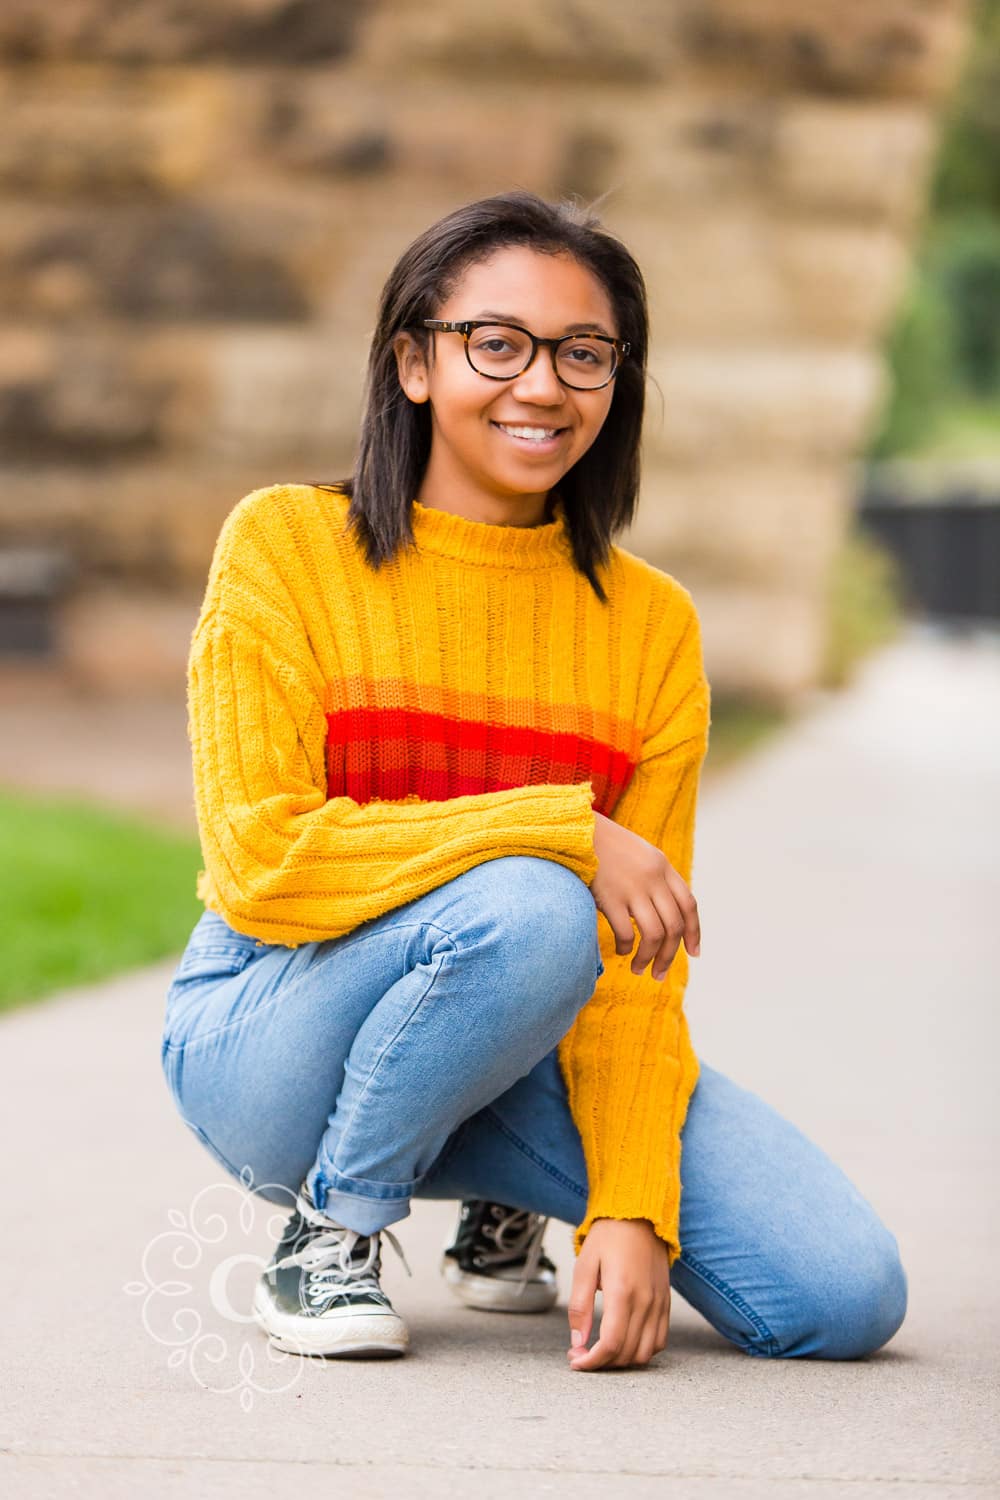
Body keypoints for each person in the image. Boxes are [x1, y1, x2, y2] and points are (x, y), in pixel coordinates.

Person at [161, 190, 908, 1372]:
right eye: (496, 344)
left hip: (530, 1029)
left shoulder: (651, 627)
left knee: (843, 1291)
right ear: (412, 361)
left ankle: (508, 1201)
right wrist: (568, 831)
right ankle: (335, 1227)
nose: (543, 386)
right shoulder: (287, 548)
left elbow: (635, 972)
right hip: (272, 1035)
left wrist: (627, 1199)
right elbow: (262, 864)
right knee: (534, 904)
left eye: (584, 354)